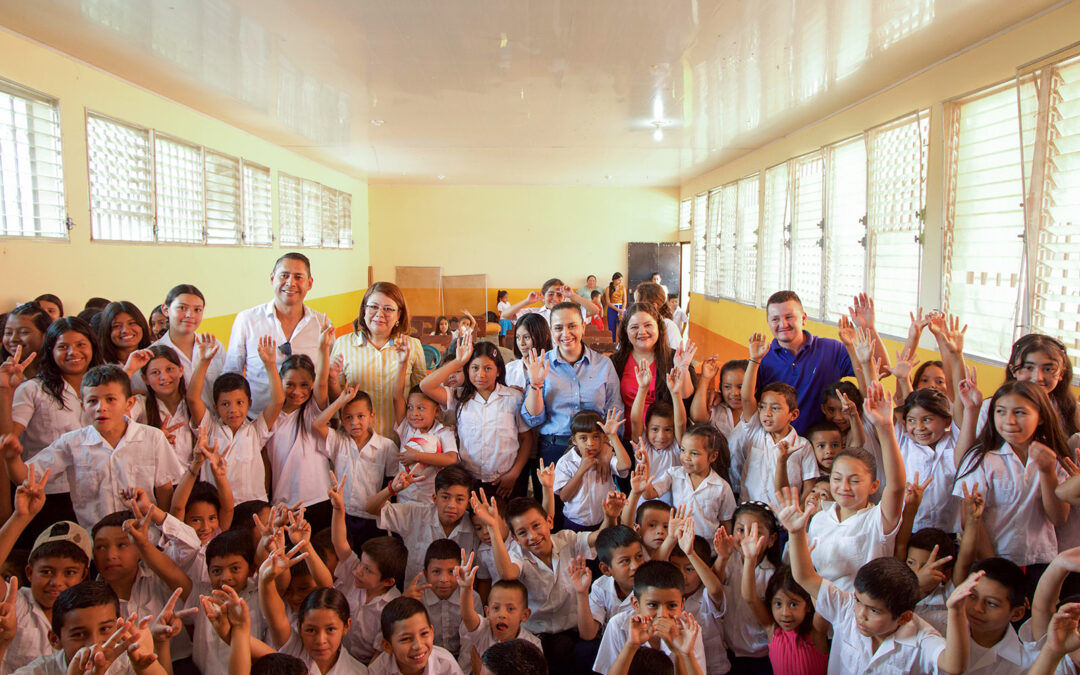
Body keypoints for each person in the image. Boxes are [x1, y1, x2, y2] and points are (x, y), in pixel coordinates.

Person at [777, 487, 979, 675]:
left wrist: (956, 612)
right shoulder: (846, 608)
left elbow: (954, 665)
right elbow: (805, 576)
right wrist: (796, 533)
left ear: (904, 617)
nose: (860, 615)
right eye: (859, 601)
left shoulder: (920, 637)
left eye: (874, 610)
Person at [6, 365, 183, 530]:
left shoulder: (152, 437)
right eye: (92, 401)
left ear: (129, 404)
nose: (101, 408)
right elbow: (25, 479)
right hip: (95, 544)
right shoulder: (72, 443)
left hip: (146, 538)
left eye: (111, 399)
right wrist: (12, 458)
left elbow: (164, 489)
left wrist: (163, 533)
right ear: (83, 407)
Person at [757, 291, 886, 434]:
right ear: (768, 322)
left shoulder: (832, 349)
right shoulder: (761, 358)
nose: (783, 324)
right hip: (780, 446)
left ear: (803, 318)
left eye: (789, 317)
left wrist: (869, 327)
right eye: (775, 319)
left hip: (826, 447)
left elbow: (881, 369)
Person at [421, 335, 532, 499]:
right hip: (470, 480)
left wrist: (514, 474)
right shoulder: (459, 397)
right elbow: (426, 386)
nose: (481, 374)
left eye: (488, 368)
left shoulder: (513, 397)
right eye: (474, 368)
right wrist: (458, 362)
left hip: (506, 481)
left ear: (499, 370)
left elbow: (527, 439)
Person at [521, 302, 623, 476]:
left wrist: (609, 446)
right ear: (551, 331)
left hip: (596, 449)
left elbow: (615, 410)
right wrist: (536, 385)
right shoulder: (540, 364)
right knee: (554, 503)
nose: (565, 333)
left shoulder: (603, 365)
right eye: (558, 328)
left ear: (583, 327)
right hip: (554, 448)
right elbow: (533, 420)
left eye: (572, 326)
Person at [224, 252, 332, 415]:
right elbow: (232, 376)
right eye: (284, 275)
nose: (290, 283)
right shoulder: (247, 320)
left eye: (298, 277)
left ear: (309, 283)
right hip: (257, 422)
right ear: (272, 278)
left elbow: (328, 379)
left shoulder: (322, 325)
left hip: (306, 426)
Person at [330, 281, 426, 439]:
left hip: (399, 438)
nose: (379, 314)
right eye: (373, 307)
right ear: (364, 309)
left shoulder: (412, 346)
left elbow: (421, 395)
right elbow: (335, 399)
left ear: (399, 315)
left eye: (388, 309)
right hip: (356, 440)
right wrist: (331, 380)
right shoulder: (343, 344)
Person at [610, 303, 695, 433]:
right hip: (627, 436)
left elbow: (686, 398)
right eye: (634, 327)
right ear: (626, 331)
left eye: (648, 325)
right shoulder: (616, 362)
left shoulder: (675, 358)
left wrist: (683, 368)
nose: (642, 332)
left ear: (659, 328)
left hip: (664, 440)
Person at [153, 284, 225, 411]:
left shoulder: (214, 346)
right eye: (181, 308)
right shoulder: (153, 353)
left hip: (216, 424)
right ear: (165, 310)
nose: (189, 315)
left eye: (197, 310)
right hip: (177, 427)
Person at [369, 596, 465, 674]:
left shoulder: (446, 666)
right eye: (406, 639)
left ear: (432, 632)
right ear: (387, 646)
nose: (418, 646)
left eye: (424, 633)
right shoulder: (378, 671)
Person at [499, 278, 600, 324]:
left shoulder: (571, 313)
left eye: (560, 295)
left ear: (565, 297)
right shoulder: (534, 313)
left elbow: (594, 310)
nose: (555, 298)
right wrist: (527, 301)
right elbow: (505, 315)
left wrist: (573, 295)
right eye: (550, 294)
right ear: (543, 296)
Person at [632, 283, 681, 350]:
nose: (634, 306)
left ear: (653, 306)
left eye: (637, 302)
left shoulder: (668, 326)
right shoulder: (633, 324)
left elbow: (677, 353)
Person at [602, 273, 627, 341]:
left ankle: (622, 344)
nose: (620, 282)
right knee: (612, 328)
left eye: (621, 280)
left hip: (622, 308)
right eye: (619, 280)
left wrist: (622, 310)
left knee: (622, 328)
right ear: (614, 279)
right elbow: (608, 302)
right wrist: (618, 310)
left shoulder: (623, 288)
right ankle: (612, 343)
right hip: (612, 308)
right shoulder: (608, 288)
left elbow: (624, 300)